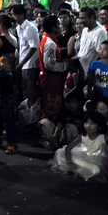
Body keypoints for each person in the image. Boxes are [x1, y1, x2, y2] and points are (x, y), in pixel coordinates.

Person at [50, 111, 108, 182]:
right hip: (82, 154)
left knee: (95, 168)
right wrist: (69, 162)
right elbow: (68, 148)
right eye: (86, 123)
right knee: (60, 152)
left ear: (100, 126)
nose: (88, 126)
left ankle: (79, 172)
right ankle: (75, 170)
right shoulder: (82, 136)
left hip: (96, 159)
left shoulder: (103, 137)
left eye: (92, 123)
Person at [38, 16, 68, 150]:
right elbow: (49, 64)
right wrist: (66, 65)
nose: (60, 26)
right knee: (51, 107)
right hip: (51, 79)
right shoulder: (49, 43)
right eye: (58, 24)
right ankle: (49, 137)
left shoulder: (48, 40)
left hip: (51, 78)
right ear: (53, 27)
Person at [9, 4, 40, 105]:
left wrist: (21, 63)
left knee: (31, 93)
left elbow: (34, 47)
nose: (11, 17)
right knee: (25, 92)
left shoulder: (30, 27)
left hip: (31, 65)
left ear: (21, 14)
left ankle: (33, 116)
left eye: (13, 14)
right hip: (23, 65)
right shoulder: (18, 28)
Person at [0, 56, 18, 154]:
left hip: (7, 101)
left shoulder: (7, 75)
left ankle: (12, 144)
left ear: (9, 65)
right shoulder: (2, 74)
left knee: (9, 123)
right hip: (0, 100)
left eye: (2, 62)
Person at [74, 7, 108, 81]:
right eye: (80, 18)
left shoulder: (100, 32)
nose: (81, 21)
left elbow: (100, 54)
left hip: (92, 72)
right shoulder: (85, 30)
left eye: (83, 18)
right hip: (81, 69)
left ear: (92, 17)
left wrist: (91, 70)